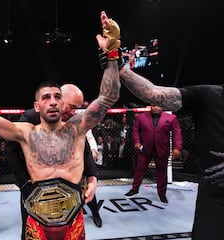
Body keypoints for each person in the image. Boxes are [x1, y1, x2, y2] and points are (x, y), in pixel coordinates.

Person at [0, 10, 121, 239]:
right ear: (36, 106)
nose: (52, 102)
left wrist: (111, 53)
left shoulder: (77, 127)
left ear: (64, 105)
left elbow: (109, 96)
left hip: (73, 217)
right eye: (46, 98)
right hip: (37, 219)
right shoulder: (26, 132)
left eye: (57, 97)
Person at [96, 11, 224, 239]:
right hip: (214, 203)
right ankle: (136, 188)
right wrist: (116, 57)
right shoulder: (211, 96)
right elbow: (155, 94)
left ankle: (160, 192)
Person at [4, 84, 103, 239]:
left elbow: (85, 150)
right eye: (71, 107)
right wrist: (24, 181)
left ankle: (96, 214)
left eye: (76, 108)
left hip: (69, 181)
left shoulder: (73, 121)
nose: (74, 112)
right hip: (37, 184)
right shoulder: (31, 118)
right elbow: (10, 149)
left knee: (76, 213)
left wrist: (92, 176)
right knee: (30, 221)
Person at [124, 104, 183, 203]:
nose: (155, 108)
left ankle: (162, 194)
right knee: (139, 169)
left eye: (158, 106)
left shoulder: (171, 118)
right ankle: (134, 189)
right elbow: (135, 130)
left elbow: (177, 132)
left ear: (162, 107)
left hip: (162, 148)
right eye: (153, 105)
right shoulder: (141, 117)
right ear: (150, 106)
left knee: (162, 172)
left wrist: (177, 148)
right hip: (145, 148)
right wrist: (137, 142)